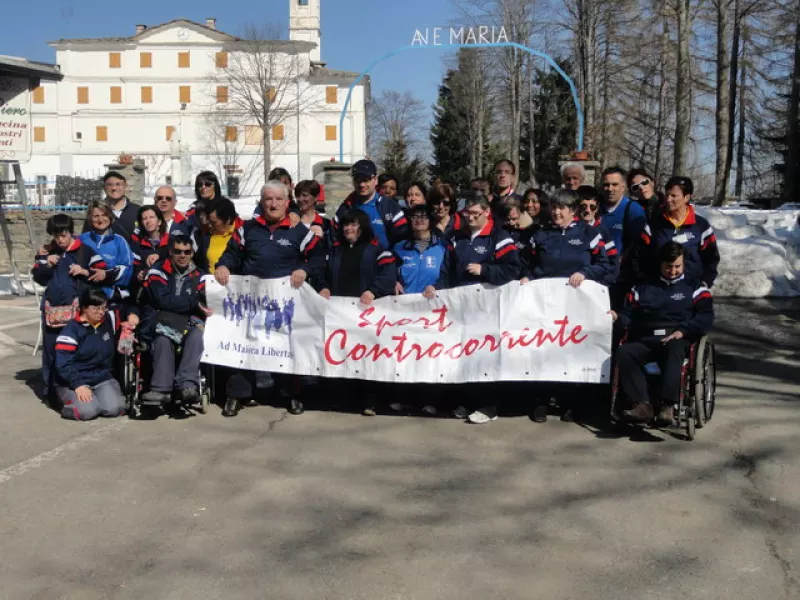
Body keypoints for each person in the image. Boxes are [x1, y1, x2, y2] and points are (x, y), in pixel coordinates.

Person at [214, 181, 325, 417]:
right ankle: (237, 395)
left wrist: (304, 271)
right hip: (250, 300)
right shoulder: (247, 229)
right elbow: (232, 254)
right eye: (268, 199)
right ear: (261, 202)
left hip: (284, 302)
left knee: (284, 346)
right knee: (243, 344)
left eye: (278, 199)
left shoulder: (300, 232)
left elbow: (318, 258)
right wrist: (223, 266)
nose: (273, 204)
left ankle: (292, 394)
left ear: (287, 202)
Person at [611, 242, 714, 425]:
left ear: (683, 264)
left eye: (677, 266)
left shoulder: (695, 287)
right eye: (668, 266)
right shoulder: (642, 287)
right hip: (646, 337)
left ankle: (668, 406)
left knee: (674, 350)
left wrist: (683, 331)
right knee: (625, 353)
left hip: (676, 337)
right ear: (660, 264)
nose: (673, 271)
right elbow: (628, 315)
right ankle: (642, 404)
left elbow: (705, 317)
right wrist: (617, 316)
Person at [317, 210, 397, 416]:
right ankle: (341, 398)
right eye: (345, 225)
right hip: (339, 314)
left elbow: (389, 275)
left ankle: (370, 400)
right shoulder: (334, 249)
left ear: (362, 227)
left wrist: (373, 291)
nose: (348, 229)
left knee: (366, 354)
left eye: (353, 225)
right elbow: (320, 273)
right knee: (340, 352)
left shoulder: (377, 248)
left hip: (365, 314)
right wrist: (324, 286)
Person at [140, 235, 210, 406]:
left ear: (192, 253)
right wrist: (193, 303)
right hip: (160, 319)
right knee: (163, 338)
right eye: (177, 251)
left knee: (197, 333)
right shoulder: (157, 272)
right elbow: (163, 301)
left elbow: (204, 301)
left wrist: (193, 306)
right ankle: (160, 389)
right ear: (170, 252)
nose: (182, 255)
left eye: (187, 252)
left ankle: (187, 386)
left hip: (189, 321)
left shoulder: (201, 276)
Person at [32, 214, 93, 402]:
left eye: (64, 234)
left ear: (71, 232)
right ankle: (51, 391)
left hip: (76, 311)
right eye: (56, 235)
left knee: (76, 349)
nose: (60, 239)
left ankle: (78, 387)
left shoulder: (85, 251)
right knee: (51, 350)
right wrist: (47, 265)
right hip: (52, 312)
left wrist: (83, 271)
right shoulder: (47, 251)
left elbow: (99, 274)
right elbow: (38, 276)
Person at [54, 289, 137, 421]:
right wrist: (78, 385)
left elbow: (126, 307)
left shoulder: (109, 319)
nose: (100, 312)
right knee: (88, 412)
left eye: (103, 308)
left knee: (114, 409)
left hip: (101, 377)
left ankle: (99, 397)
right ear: (84, 308)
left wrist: (132, 315)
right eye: (95, 308)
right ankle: (66, 403)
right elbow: (63, 364)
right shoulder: (71, 331)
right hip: (75, 379)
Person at [637, 176, 720, 287]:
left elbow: (711, 258)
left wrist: (705, 282)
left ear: (686, 197)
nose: (668, 200)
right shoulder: (654, 224)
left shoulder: (701, 226)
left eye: (673, 196)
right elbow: (639, 256)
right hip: (659, 291)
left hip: (691, 291)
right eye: (667, 195)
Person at [600, 166, 648, 308]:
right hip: (597, 275)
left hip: (621, 278)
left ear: (623, 187)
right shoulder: (595, 208)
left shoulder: (633, 210)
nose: (610, 188)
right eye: (606, 184)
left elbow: (637, 244)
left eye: (614, 184)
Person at [334, 159, 408, 251]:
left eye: (366, 179)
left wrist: (391, 259)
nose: (362, 184)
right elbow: (334, 237)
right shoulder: (346, 207)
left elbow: (402, 239)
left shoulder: (389, 207)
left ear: (375, 180)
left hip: (382, 262)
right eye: (357, 179)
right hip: (353, 262)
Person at [452, 196, 521, 289]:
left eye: (475, 213)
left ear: (487, 212)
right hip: (460, 298)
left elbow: (513, 270)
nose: (470, 218)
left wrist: (484, 270)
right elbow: (447, 271)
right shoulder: (458, 237)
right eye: (467, 213)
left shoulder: (499, 237)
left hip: (487, 298)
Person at [393, 204, 451, 298]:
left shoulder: (442, 248)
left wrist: (435, 287)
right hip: (403, 305)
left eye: (423, 217)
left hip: (430, 304)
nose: (419, 220)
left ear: (430, 220)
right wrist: (393, 282)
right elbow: (389, 273)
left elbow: (447, 278)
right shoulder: (399, 248)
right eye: (415, 217)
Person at [78, 202, 133, 300]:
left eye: (104, 215)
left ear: (110, 217)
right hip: (85, 296)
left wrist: (106, 275)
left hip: (109, 297)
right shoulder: (82, 239)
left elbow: (127, 268)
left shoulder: (119, 241)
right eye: (96, 216)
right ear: (90, 218)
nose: (100, 220)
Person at [82, 171, 138, 242]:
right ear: (104, 188)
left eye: (118, 184)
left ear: (125, 186)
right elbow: (85, 239)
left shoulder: (137, 211)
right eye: (109, 185)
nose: (114, 188)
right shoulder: (95, 211)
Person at [202, 197, 242, 273]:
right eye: (209, 221)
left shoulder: (242, 235)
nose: (209, 225)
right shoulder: (205, 236)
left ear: (228, 220)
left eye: (214, 222)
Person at [130, 205, 169, 283]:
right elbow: (135, 267)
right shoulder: (138, 245)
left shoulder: (171, 240)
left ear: (160, 221)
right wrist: (138, 274)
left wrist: (159, 256)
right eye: (144, 218)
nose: (148, 221)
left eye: (152, 217)